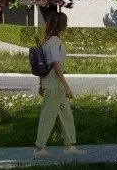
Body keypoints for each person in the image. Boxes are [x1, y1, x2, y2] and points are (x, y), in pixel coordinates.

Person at [33, 12, 79, 156]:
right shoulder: (54, 41)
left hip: (51, 82)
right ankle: (39, 149)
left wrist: (41, 84)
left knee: (66, 114)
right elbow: (56, 65)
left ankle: (69, 146)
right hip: (54, 83)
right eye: (65, 22)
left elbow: (43, 65)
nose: (67, 25)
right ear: (60, 24)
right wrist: (67, 86)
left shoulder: (48, 41)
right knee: (48, 115)